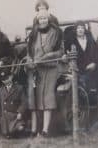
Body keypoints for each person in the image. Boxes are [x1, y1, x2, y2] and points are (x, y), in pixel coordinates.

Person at [26, 9, 63, 137]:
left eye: (45, 19)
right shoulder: (33, 33)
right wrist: (30, 61)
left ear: (49, 20)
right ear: (37, 20)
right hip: (35, 70)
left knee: (47, 98)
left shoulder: (56, 33)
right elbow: (29, 52)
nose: (42, 21)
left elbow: (60, 52)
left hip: (50, 69)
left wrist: (47, 56)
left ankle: (45, 130)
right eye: (40, 19)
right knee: (33, 98)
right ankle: (34, 129)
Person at [0, 67, 27, 139]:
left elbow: (24, 102)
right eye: (3, 79)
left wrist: (20, 112)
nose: (5, 81)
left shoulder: (19, 88)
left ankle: (14, 132)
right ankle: (9, 133)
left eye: (6, 78)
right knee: (6, 133)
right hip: (5, 117)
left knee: (21, 128)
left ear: (11, 76)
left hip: (15, 115)